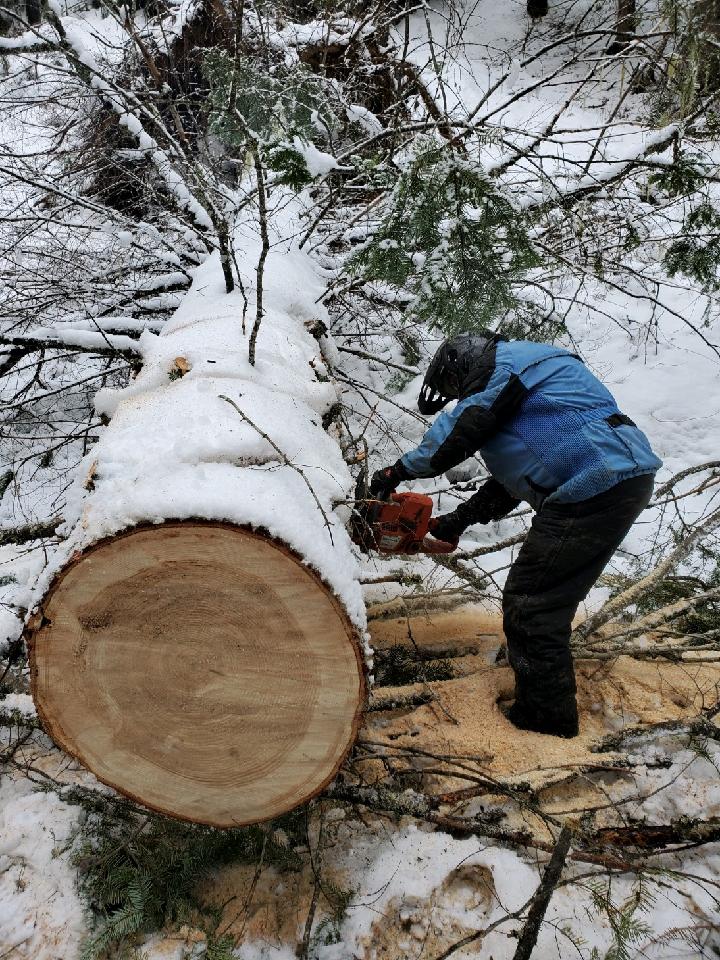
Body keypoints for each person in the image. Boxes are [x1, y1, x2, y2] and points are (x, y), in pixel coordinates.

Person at [370, 332, 662, 739]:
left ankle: (545, 724)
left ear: (463, 363)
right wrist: (456, 521)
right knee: (542, 602)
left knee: (532, 605)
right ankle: (543, 692)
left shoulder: (505, 367)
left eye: (456, 388)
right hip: (612, 480)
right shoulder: (527, 389)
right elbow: (513, 481)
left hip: (595, 484)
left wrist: (393, 473)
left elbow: (455, 436)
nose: (459, 396)